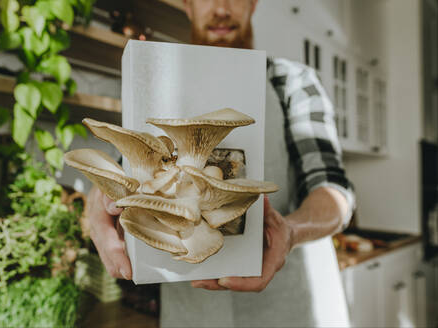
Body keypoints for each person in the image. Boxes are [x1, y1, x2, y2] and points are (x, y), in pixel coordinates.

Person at [86, 0, 355, 326]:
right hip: (193, 311)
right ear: (188, 5)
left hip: (292, 307)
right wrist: (99, 204)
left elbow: (332, 189)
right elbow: (127, 177)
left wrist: (290, 232)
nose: (222, 9)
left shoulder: (291, 80)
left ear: (253, 4)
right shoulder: (160, 89)